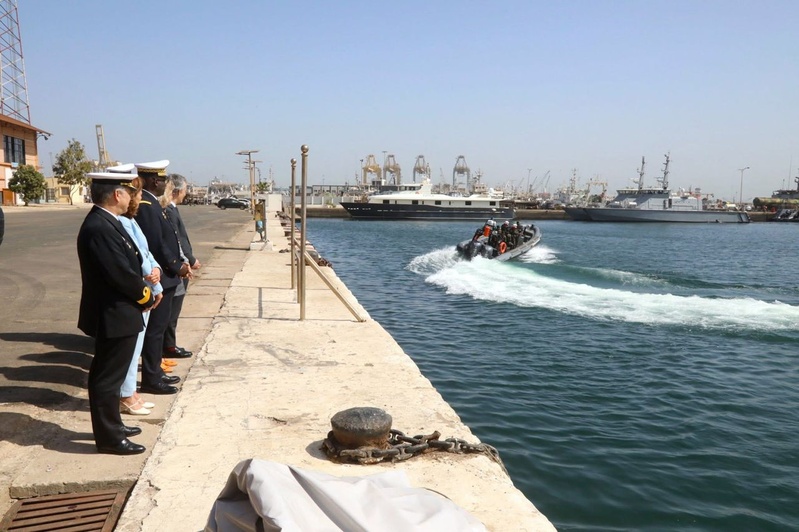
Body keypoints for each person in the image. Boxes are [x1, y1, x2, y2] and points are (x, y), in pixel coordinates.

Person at [76, 172, 155, 455]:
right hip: (114, 313)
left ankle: (114, 425)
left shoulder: (110, 222)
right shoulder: (99, 226)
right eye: (127, 191)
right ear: (117, 195)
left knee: (114, 374)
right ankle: (109, 438)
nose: (131, 197)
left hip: (122, 312)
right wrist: (145, 295)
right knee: (107, 378)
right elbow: (120, 274)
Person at [133, 160, 189, 396]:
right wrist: (177, 266)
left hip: (166, 275)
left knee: (159, 328)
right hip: (161, 276)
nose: (163, 184)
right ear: (154, 180)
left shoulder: (152, 203)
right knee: (155, 331)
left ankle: (156, 371)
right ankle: (151, 378)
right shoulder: (146, 205)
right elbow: (157, 244)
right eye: (161, 179)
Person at [117, 175, 163, 415]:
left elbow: (147, 253)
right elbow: (138, 259)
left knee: (137, 346)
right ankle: (126, 394)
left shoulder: (131, 221)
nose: (139, 199)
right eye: (136, 194)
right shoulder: (123, 223)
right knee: (132, 348)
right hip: (141, 291)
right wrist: (154, 285)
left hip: (149, 285)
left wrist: (157, 270)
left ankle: (131, 392)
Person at [163, 173, 201, 359]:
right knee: (171, 309)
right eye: (185, 190)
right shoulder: (168, 211)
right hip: (176, 267)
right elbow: (177, 240)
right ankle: (168, 346)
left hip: (179, 265)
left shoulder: (172, 209)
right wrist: (189, 260)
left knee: (174, 309)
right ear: (177, 190)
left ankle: (169, 344)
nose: (186, 194)